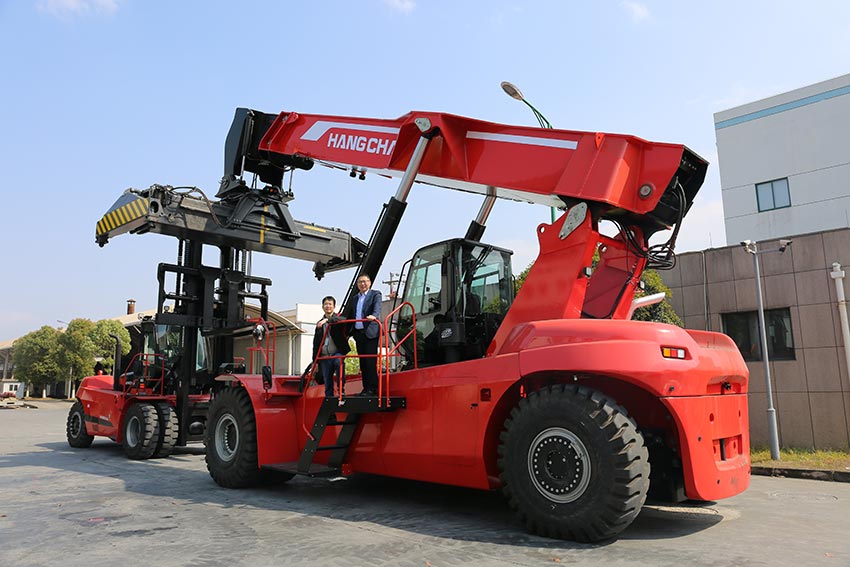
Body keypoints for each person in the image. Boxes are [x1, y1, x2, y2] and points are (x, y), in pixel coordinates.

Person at [347, 273, 382, 396]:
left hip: (370, 332)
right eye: (360, 282)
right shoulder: (355, 298)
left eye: (364, 281)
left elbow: (377, 308)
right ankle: (366, 388)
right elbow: (351, 314)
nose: (362, 284)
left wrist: (374, 316)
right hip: (358, 333)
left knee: (370, 361)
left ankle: (373, 388)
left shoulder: (375, 294)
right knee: (362, 362)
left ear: (370, 282)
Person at [312, 295, 350, 397]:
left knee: (339, 362)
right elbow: (316, 343)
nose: (328, 306)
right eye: (325, 304)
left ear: (334, 306)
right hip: (325, 356)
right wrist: (314, 361)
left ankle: (341, 390)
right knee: (327, 380)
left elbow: (343, 319)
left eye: (330, 304)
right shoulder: (319, 324)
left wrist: (328, 320)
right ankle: (329, 400)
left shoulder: (338, 318)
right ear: (322, 306)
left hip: (336, 352)